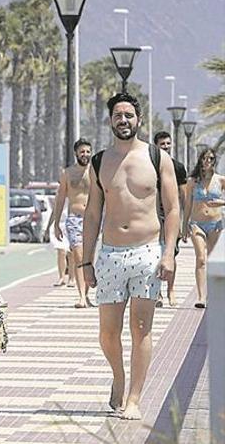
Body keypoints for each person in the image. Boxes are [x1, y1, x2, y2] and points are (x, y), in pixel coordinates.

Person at [82, 92, 179, 420]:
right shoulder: (99, 161)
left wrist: (169, 254)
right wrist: (85, 261)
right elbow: (92, 215)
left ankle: (134, 399)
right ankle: (119, 377)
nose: (123, 120)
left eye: (129, 115)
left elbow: (174, 208)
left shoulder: (156, 158)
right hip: (110, 254)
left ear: (139, 119)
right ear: (110, 120)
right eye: (118, 115)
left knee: (141, 328)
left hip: (148, 253)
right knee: (108, 333)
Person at [48, 138, 93, 307]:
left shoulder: (95, 172)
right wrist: (56, 223)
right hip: (74, 219)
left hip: (92, 219)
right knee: (79, 257)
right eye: (82, 151)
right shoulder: (68, 173)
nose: (85, 154)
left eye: (88, 151)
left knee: (90, 259)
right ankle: (81, 296)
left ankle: (86, 294)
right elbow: (60, 199)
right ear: (76, 153)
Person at [182, 148, 224, 309]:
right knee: (201, 259)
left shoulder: (220, 180)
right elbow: (187, 205)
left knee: (213, 261)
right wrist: (184, 225)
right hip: (196, 224)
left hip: (215, 225)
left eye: (211, 159)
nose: (208, 161)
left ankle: (214, 296)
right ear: (200, 160)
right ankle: (201, 297)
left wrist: (221, 203)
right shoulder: (192, 181)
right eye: (205, 158)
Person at [153, 131, 189, 306]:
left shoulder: (178, 167)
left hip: (171, 216)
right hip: (152, 216)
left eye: (168, 143)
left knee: (170, 253)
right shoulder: (150, 166)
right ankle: (157, 293)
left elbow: (184, 197)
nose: (166, 146)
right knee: (154, 254)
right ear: (156, 146)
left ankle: (170, 291)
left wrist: (184, 223)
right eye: (162, 144)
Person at [48, 204, 73, 287]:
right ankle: (61, 277)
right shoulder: (60, 195)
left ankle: (71, 279)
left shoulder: (75, 193)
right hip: (60, 225)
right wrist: (49, 226)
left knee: (71, 253)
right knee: (61, 251)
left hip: (72, 225)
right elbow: (54, 211)